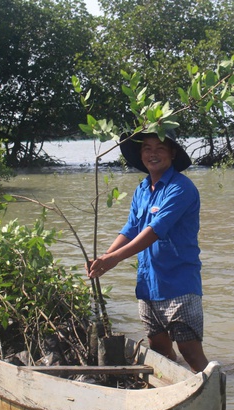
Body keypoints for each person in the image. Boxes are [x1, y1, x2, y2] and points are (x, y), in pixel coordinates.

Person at [86, 128, 209, 372]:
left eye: (160, 148)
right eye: (147, 149)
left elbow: (154, 230)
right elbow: (131, 228)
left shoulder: (181, 188)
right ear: (141, 154)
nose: (153, 154)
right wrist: (105, 258)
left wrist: (114, 259)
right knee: (160, 348)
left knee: (190, 351)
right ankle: (178, 388)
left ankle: (216, 395)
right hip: (148, 283)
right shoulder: (142, 189)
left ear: (172, 154)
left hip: (179, 283)